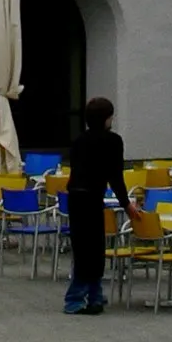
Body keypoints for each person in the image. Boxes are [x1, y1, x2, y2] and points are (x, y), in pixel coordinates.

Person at [61, 94, 139, 316]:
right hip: (93, 197)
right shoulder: (113, 141)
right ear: (107, 119)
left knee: (83, 246)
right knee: (95, 247)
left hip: (75, 197)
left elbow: (75, 168)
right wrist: (126, 204)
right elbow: (115, 176)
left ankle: (94, 295)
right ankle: (75, 297)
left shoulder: (78, 141)